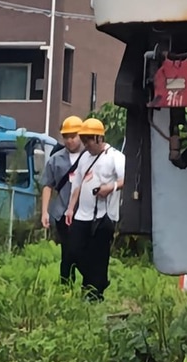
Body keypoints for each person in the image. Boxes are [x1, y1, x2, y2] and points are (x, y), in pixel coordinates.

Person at [65, 117, 125, 300]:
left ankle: (94, 293)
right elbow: (77, 184)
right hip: (82, 215)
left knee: (99, 256)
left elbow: (127, 179)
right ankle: (97, 281)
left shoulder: (115, 156)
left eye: (88, 140)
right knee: (74, 251)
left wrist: (110, 188)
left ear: (99, 138)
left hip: (104, 216)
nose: (86, 144)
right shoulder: (84, 157)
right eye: (84, 140)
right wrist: (70, 208)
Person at [40, 116, 86, 285]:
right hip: (61, 213)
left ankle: (88, 283)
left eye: (73, 136)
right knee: (67, 250)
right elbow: (47, 185)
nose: (70, 140)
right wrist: (44, 211)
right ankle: (66, 284)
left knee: (81, 250)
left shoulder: (91, 157)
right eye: (66, 137)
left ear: (81, 135)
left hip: (85, 213)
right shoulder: (55, 159)